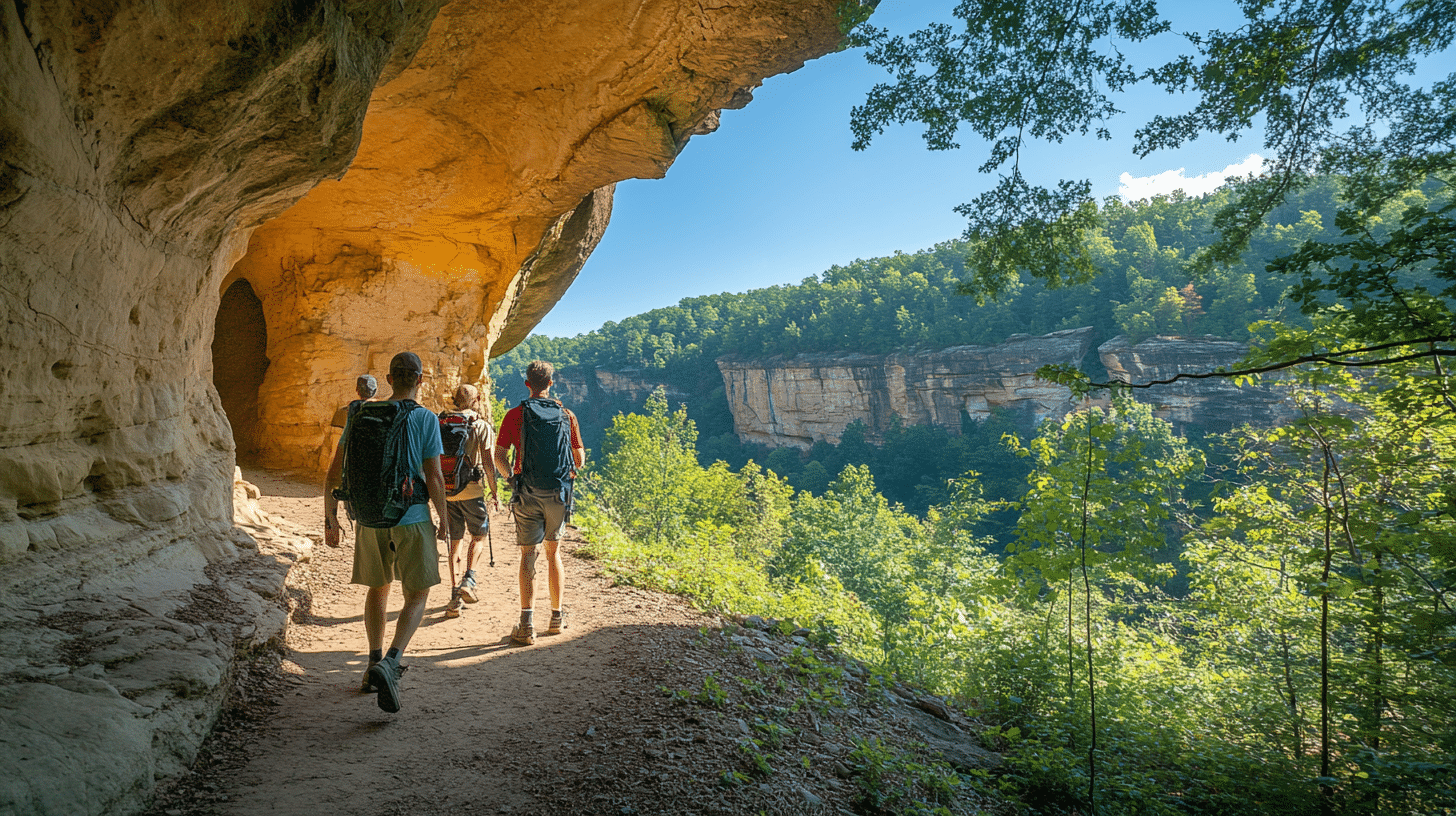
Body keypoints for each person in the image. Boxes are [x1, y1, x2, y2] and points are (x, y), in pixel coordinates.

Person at [323, 352, 449, 713]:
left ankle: (371, 663)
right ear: (420, 381)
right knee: (418, 593)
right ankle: (391, 662)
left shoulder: (360, 414)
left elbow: (335, 470)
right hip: (411, 518)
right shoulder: (425, 418)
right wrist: (444, 519)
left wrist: (330, 518)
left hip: (369, 517)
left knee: (378, 589)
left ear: (390, 379)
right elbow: (434, 475)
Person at [493, 361, 584, 646]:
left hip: (527, 493)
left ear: (526, 384)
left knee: (527, 555)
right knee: (553, 553)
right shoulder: (567, 415)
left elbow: (498, 456)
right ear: (551, 383)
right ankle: (557, 617)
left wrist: (512, 478)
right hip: (557, 492)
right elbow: (578, 459)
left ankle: (526, 624)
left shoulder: (514, 414)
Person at [440, 383, 499, 618]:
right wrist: (494, 492)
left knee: (454, 542)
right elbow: (488, 463)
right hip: (473, 491)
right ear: (478, 399)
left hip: (447, 490)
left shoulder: (440, 422)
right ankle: (469, 578)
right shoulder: (480, 426)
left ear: (454, 399)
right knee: (478, 536)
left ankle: (454, 597)